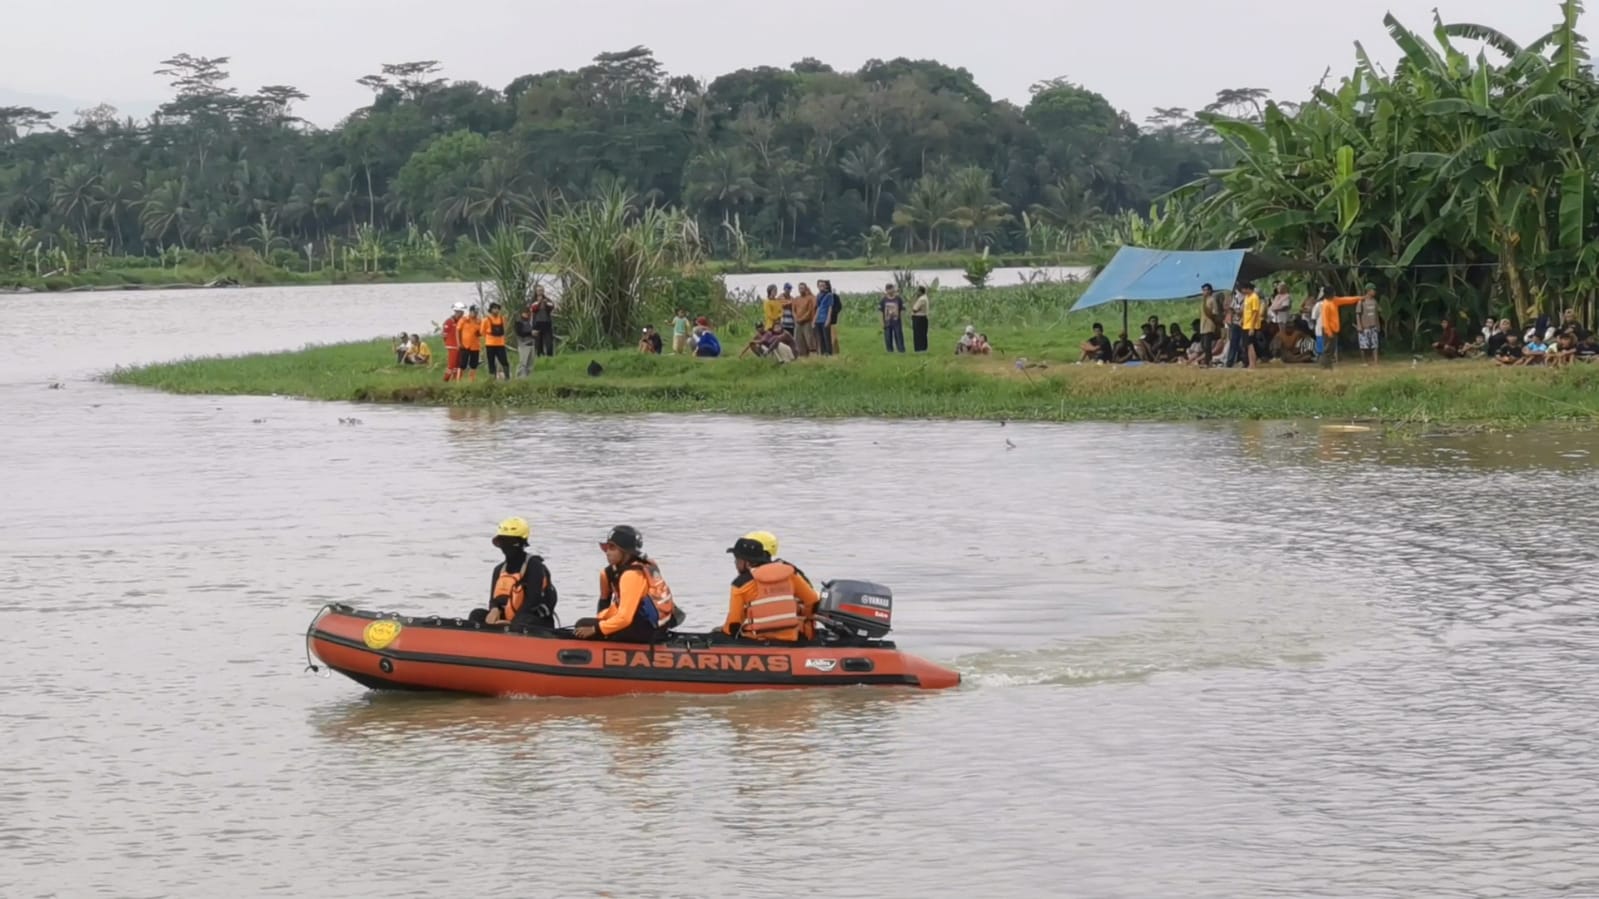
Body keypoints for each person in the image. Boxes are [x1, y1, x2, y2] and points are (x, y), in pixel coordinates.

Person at [574, 526, 682, 642]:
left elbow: (625, 618)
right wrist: (601, 620)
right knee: (587, 624)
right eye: (606, 548)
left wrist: (596, 629)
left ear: (625, 552)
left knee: (581, 624)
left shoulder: (631, 575)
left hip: (645, 630)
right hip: (656, 624)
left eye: (612, 548)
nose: (607, 552)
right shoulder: (646, 565)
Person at [720, 531, 820, 642]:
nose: (735, 563)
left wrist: (724, 634)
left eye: (737, 560)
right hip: (791, 638)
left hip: (757, 641)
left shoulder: (741, 584)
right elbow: (813, 600)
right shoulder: (790, 574)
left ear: (747, 563)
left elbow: (734, 624)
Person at [469, 518, 558, 629]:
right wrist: (494, 609)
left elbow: (533, 602)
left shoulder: (535, 566)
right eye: (503, 541)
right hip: (508, 618)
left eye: (510, 542)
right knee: (476, 614)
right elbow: (494, 599)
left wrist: (511, 624)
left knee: (523, 620)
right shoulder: (499, 569)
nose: (506, 546)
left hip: (535, 621)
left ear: (521, 543)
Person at [1354, 285, 1381, 364]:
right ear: (1368, 291)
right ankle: (1364, 362)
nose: (1374, 292)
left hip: (1373, 326)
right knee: (1363, 346)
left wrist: (1378, 325)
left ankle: (1376, 361)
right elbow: (1358, 314)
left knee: (1375, 345)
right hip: (1364, 327)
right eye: (1373, 290)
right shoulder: (1361, 301)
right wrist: (1359, 325)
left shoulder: (1374, 301)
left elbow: (1377, 314)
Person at [482, 302, 510, 380]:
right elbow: (482, 331)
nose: (496, 310)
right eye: (494, 308)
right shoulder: (486, 320)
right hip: (490, 344)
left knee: (504, 361)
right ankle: (492, 379)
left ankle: (507, 378)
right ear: (490, 310)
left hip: (500, 344)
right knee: (491, 362)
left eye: (497, 308)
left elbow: (505, 327)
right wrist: (489, 338)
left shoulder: (502, 319)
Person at [1240, 282, 1264, 368]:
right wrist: (1242, 319)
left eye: (1243, 289)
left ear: (1247, 288)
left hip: (1251, 325)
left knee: (1250, 344)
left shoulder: (1254, 297)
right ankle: (1250, 362)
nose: (1242, 291)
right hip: (1245, 324)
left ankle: (1252, 363)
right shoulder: (1247, 297)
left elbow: (1255, 312)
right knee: (1247, 344)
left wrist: (1252, 327)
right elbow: (1246, 311)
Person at [1198, 283, 1222, 364]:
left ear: (1210, 290)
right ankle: (1206, 359)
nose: (1205, 292)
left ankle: (1208, 361)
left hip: (1209, 324)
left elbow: (1214, 313)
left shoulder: (1212, 300)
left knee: (1207, 344)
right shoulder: (1203, 301)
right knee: (1203, 345)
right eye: (1204, 290)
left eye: (1207, 290)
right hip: (1203, 325)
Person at [529, 285, 556, 357]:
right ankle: (539, 355)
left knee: (549, 341)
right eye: (538, 290)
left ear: (543, 291)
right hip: (537, 323)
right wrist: (539, 302)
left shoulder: (547, 300)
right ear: (535, 291)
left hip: (547, 323)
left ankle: (550, 355)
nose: (540, 292)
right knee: (538, 341)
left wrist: (545, 303)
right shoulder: (533, 301)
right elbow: (532, 309)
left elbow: (552, 306)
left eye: (541, 290)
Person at [792, 283, 818, 356]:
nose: (801, 290)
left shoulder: (809, 298)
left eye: (803, 288)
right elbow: (793, 310)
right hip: (798, 323)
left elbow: (809, 311)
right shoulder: (796, 299)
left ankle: (812, 355)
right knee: (798, 340)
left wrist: (802, 319)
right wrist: (796, 318)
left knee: (809, 339)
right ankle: (801, 355)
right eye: (800, 288)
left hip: (806, 322)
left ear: (805, 289)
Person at [458, 305, 483, 380]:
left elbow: (481, 332)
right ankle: (458, 380)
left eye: (477, 312)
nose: (475, 314)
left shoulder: (479, 321)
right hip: (465, 345)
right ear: (470, 311)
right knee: (463, 364)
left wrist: (479, 333)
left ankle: (472, 380)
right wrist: (459, 343)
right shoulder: (464, 319)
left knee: (474, 364)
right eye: (474, 312)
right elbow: (458, 330)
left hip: (475, 345)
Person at [880, 284, 906, 352]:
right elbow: (881, 312)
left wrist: (902, 320)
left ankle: (901, 350)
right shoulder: (883, 300)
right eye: (888, 289)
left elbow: (902, 310)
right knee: (888, 337)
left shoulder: (898, 299)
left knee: (899, 336)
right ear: (886, 290)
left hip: (897, 321)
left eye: (891, 289)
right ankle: (889, 351)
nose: (890, 290)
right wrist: (882, 322)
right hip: (887, 322)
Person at [442, 303, 464, 381]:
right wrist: (448, 343)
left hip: (461, 346)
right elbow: (444, 335)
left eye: (461, 312)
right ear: (455, 311)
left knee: (459, 365)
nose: (461, 314)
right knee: (451, 365)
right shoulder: (449, 322)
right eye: (458, 312)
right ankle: (445, 380)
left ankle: (456, 380)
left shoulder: (462, 321)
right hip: (452, 346)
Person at [815, 280, 837, 356]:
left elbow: (830, 308)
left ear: (826, 286)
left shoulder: (829, 295)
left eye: (823, 285)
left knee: (826, 337)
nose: (822, 287)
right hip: (819, 319)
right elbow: (818, 308)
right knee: (820, 338)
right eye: (820, 285)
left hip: (825, 318)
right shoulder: (818, 295)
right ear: (818, 286)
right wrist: (814, 319)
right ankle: (823, 353)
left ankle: (829, 353)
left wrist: (828, 319)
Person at [823, 279, 844, 356]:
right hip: (822, 320)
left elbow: (839, 307)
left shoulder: (834, 296)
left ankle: (834, 353)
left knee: (833, 339)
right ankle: (826, 352)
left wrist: (832, 313)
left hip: (832, 321)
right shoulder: (820, 296)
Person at [910, 286, 930, 353]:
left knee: (918, 334)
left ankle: (919, 349)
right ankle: (923, 348)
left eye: (917, 291)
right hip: (923, 318)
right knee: (923, 334)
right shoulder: (925, 298)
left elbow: (915, 309)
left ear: (920, 291)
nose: (916, 292)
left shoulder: (921, 299)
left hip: (919, 318)